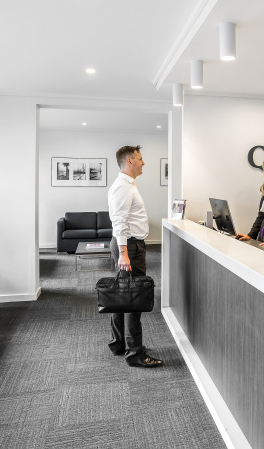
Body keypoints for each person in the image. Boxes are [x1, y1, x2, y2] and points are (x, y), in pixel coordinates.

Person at [107, 145, 163, 368]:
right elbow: (119, 222)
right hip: (129, 247)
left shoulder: (128, 185)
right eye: (140, 159)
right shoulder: (123, 187)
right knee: (133, 299)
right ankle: (135, 353)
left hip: (129, 246)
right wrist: (124, 254)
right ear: (129, 161)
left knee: (124, 295)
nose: (143, 162)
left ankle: (119, 343)